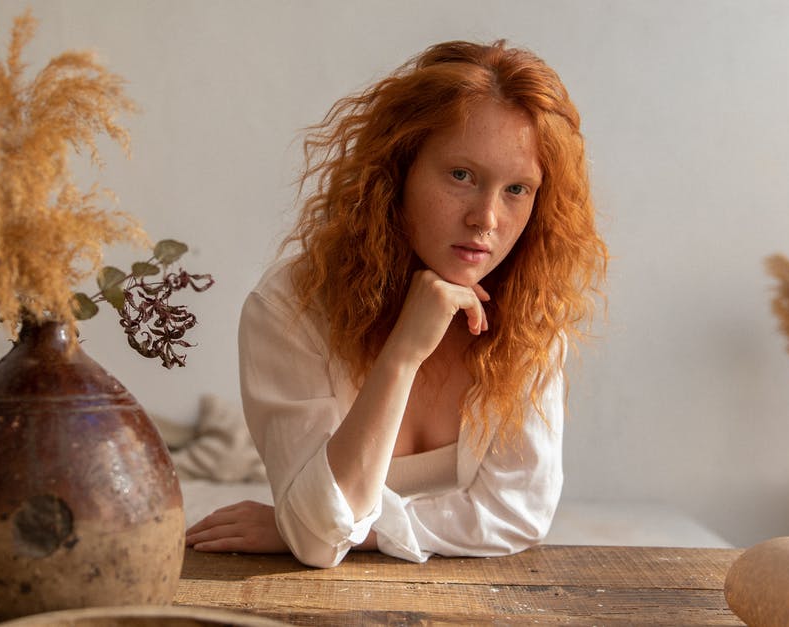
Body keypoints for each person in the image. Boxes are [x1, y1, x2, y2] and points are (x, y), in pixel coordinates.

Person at [186, 40, 607, 567]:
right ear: (397, 171)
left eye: (517, 189)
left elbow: (517, 514)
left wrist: (332, 526)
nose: (486, 219)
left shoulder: (529, 318)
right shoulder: (291, 307)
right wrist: (403, 354)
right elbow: (319, 543)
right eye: (462, 176)